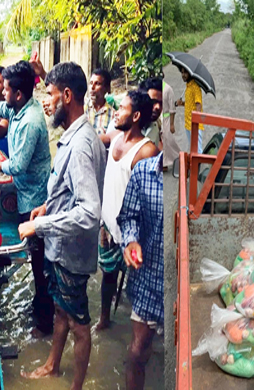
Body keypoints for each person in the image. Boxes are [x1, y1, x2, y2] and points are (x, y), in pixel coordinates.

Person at [19, 62, 106, 390]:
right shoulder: (75, 136)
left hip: (71, 254)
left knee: (79, 325)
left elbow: (89, 212)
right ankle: (53, 365)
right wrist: (47, 206)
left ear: (67, 95)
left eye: (51, 94)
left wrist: (40, 225)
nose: (47, 101)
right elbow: (71, 191)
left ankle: (76, 387)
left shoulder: (82, 144)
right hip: (61, 249)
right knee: (59, 311)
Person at [0, 60, 54, 338]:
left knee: (39, 259)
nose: (2, 93)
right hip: (23, 189)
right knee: (34, 255)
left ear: (18, 93)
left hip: (35, 196)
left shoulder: (31, 121)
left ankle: (45, 320)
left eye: (5, 88)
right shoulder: (15, 105)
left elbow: (18, 164)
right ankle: (39, 305)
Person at [96, 90, 159, 331]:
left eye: (122, 108)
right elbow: (94, 138)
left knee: (135, 287)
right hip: (108, 228)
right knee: (107, 276)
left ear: (136, 116)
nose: (116, 111)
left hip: (132, 234)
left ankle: (137, 334)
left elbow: (146, 202)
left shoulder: (146, 151)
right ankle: (104, 320)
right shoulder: (115, 136)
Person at [118, 151, 164, 390]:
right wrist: (131, 240)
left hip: (180, 289)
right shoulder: (143, 172)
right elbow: (128, 217)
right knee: (137, 351)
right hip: (148, 278)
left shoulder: (201, 178)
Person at [175, 66, 203, 154]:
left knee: (198, 150)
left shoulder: (195, 87)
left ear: (190, 73)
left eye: (185, 73)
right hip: (187, 124)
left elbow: (198, 104)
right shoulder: (188, 86)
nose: (183, 75)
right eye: (182, 72)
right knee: (192, 149)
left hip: (194, 124)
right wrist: (182, 103)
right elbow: (190, 104)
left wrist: (196, 121)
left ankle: (198, 167)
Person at [85, 68, 116, 135]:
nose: (92, 87)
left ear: (107, 88)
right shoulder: (82, 108)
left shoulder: (113, 116)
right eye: (91, 83)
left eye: (97, 84)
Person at [161, 81, 179, 169]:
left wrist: (172, 124)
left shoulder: (168, 89)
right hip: (159, 119)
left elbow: (172, 108)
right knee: (162, 141)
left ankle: (179, 158)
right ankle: (164, 163)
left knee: (170, 141)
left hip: (167, 118)